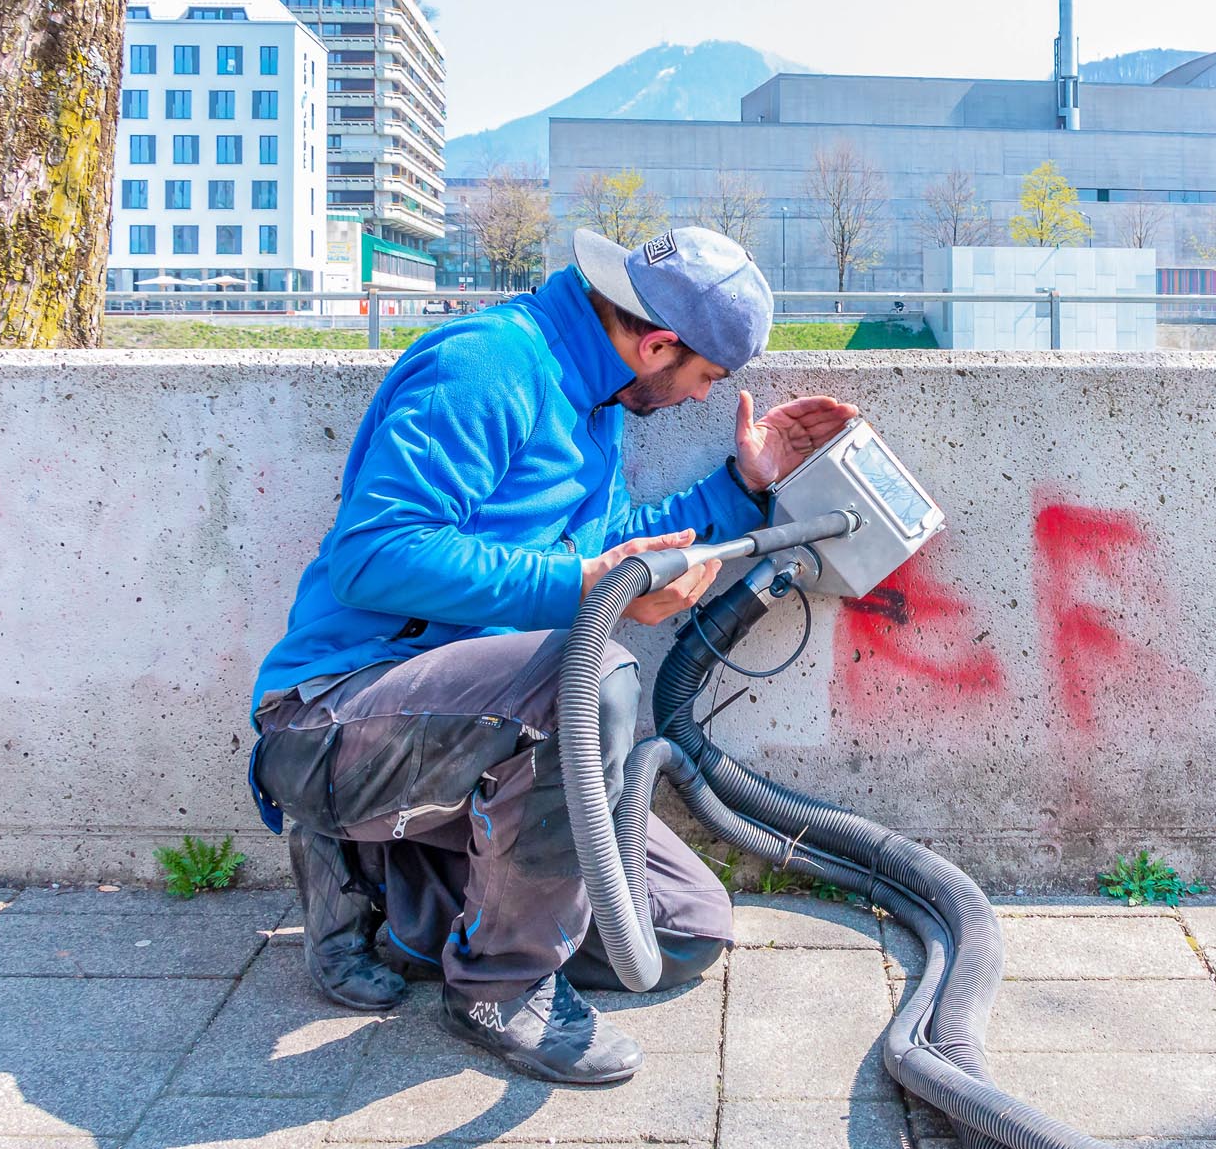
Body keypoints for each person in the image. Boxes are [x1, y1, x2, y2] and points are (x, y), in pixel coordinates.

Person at [247, 226, 857, 1085]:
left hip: (481, 736)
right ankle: (502, 984)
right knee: (595, 675)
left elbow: (607, 551)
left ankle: (393, 886)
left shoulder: (594, 399)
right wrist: (584, 588)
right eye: (704, 380)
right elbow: (374, 554)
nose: (698, 400)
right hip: (334, 718)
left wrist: (741, 488)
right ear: (656, 344)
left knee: (681, 931)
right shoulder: (488, 366)